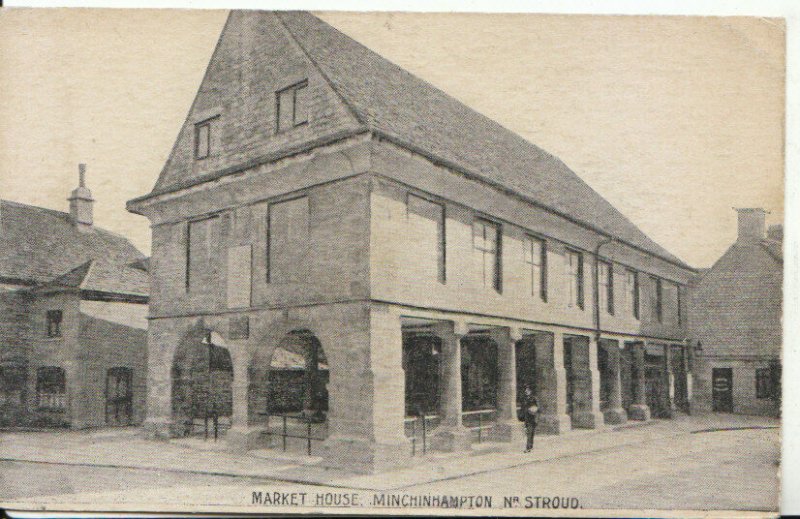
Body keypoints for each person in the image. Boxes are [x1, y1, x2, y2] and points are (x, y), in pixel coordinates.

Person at [522, 386, 539, 453]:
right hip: (527, 418)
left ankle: (529, 447)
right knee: (529, 433)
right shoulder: (525, 399)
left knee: (531, 433)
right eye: (526, 391)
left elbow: (538, 407)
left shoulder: (534, 398)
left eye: (527, 391)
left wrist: (532, 410)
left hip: (533, 418)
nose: (526, 392)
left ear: (530, 391)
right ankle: (529, 447)